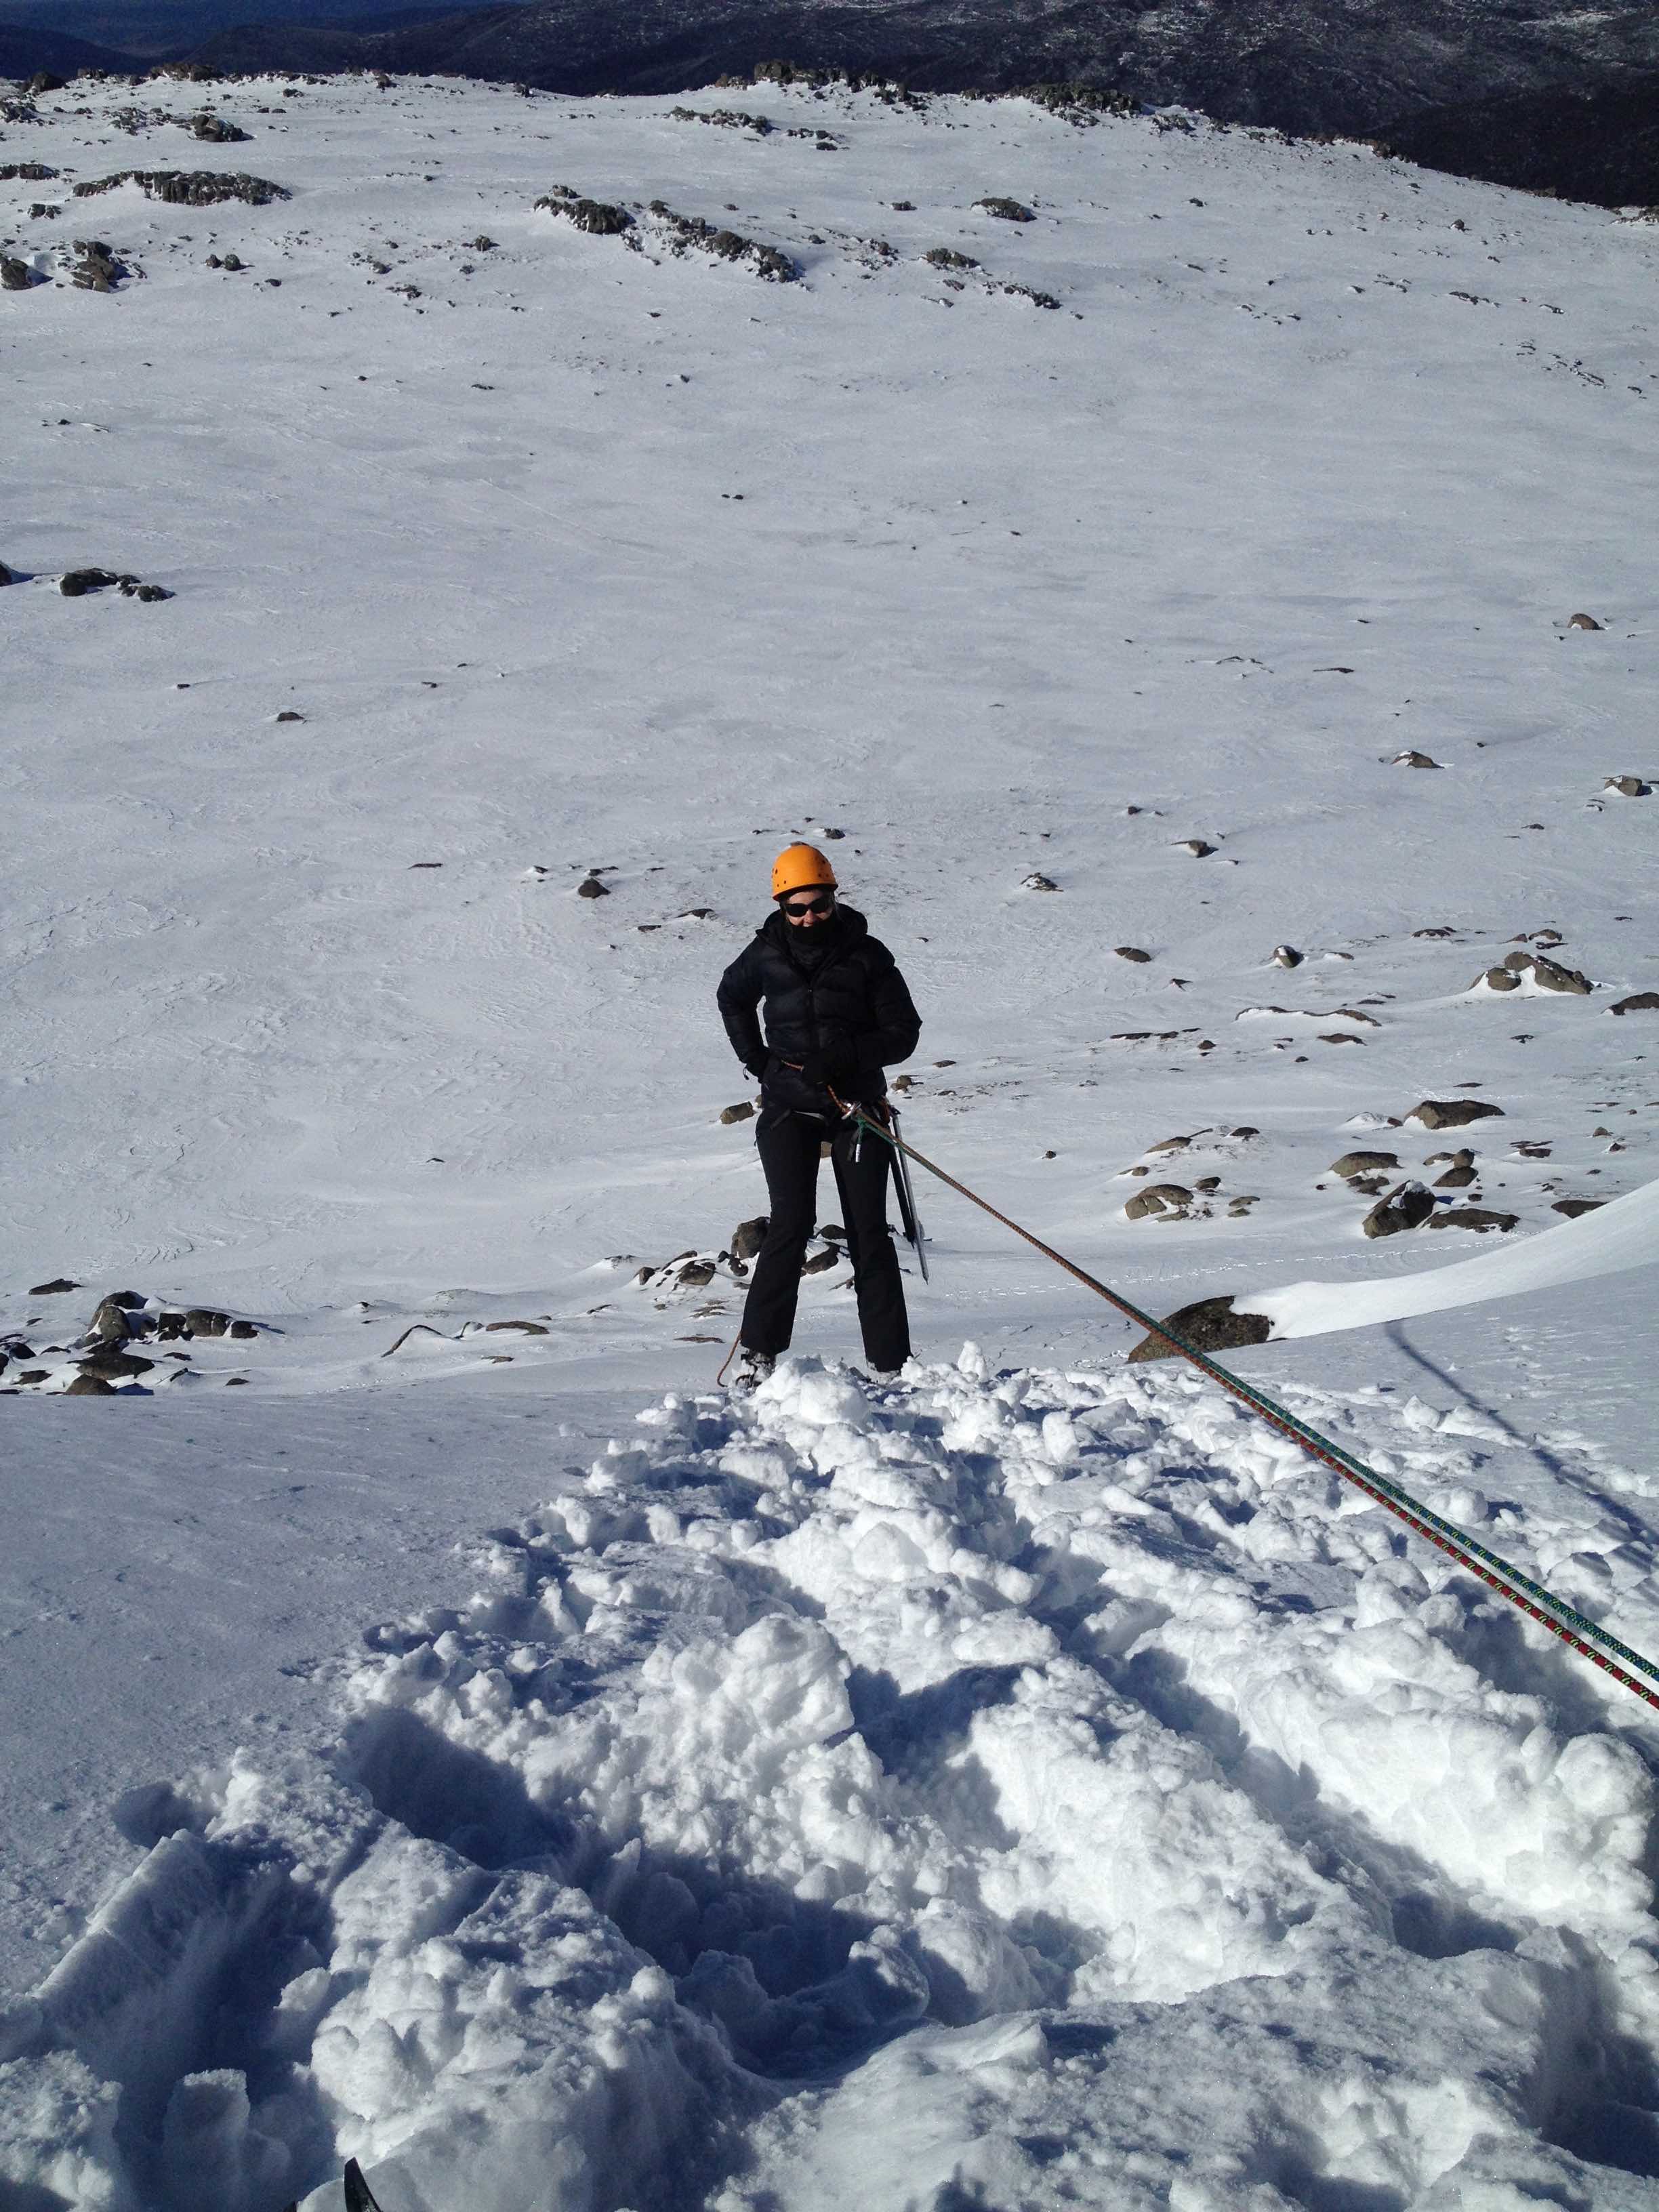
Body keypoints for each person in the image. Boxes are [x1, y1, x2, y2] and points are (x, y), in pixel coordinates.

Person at [716, 844, 921, 1391]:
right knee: (789, 1226)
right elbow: (730, 997)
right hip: (789, 1107)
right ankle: (758, 1356)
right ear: (782, 905)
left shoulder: (867, 955)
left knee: (868, 1233)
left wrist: (845, 1055)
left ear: (835, 898)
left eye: (820, 905)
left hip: (857, 1108)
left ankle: (889, 1364)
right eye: (798, 908)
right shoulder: (764, 954)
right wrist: (757, 1062)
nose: (810, 917)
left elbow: (904, 1034)